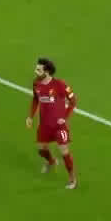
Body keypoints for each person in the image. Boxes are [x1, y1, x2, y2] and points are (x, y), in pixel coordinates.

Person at [27, 57, 77, 189]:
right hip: (44, 125)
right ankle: (52, 161)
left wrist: (64, 117)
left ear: (47, 72)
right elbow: (35, 99)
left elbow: (73, 101)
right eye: (36, 69)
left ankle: (72, 178)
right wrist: (30, 116)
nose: (36, 71)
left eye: (39, 70)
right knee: (41, 150)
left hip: (59, 126)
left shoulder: (59, 85)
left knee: (64, 152)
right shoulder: (36, 84)